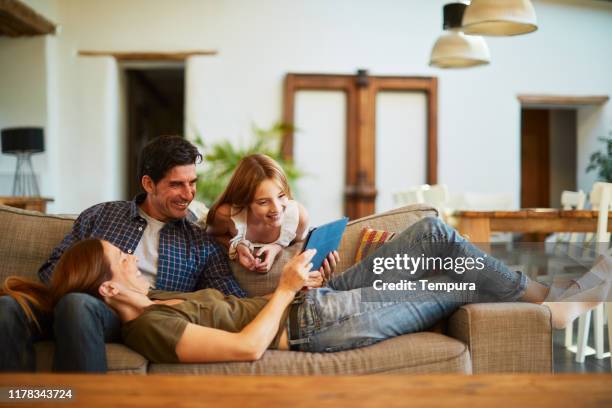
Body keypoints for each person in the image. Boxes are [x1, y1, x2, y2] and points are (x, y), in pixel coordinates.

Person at [3, 217, 606, 364]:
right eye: (121, 257)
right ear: (107, 289)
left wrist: (306, 276)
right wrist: (287, 289)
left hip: (314, 301)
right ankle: (556, 308)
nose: (133, 256)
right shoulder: (149, 326)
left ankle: (549, 297)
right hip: (315, 323)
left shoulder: (157, 300)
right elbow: (245, 349)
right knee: (440, 282)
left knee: (431, 232)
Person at [0, 135, 247, 373]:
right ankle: (17, 398)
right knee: (8, 306)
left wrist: (252, 244)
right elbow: (51, 270)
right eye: (176, 184)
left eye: (192, 182)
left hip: (130, 318)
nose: (188, 194)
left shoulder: (200, 241)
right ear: (148, 184)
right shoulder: (101, 216)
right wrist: (98, 283)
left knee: (77, 305)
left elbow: (232, 301)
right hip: (72, 302)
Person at [206, 154, 309, 273]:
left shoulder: (298, 218)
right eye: (263, 202)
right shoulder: (226, 215)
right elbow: (210, 237)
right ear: (244, 201)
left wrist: (278, 247)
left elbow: (301, 246)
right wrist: (236, 246)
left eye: (281, 196)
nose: (276, 208)